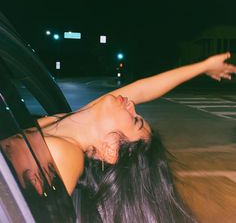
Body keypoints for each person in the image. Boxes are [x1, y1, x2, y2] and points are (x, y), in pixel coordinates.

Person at [37, 52, 236, 223]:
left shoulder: (64, 155)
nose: (132, 105)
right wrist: (204, 67)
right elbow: (141, 90)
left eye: (135, 120)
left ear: (110, 148)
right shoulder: (66, 122)